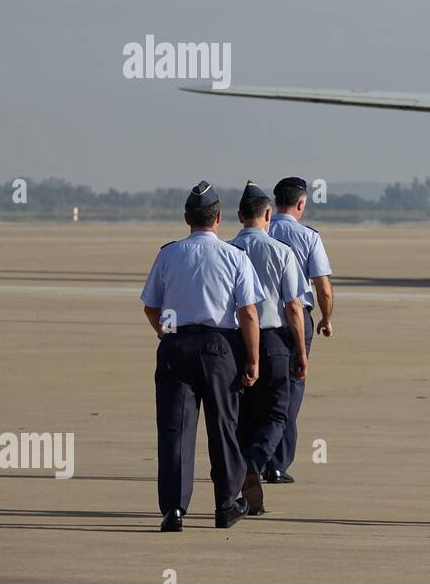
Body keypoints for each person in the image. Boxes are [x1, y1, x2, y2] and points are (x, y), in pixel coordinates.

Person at [140, 181, 265, 531]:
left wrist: (168, 331)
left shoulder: (168, 254)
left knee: (175, 429)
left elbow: (151, 306)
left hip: (176, 346)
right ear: (219, 218)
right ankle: (226, 504)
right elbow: (249, 314)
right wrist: (253, 360)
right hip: (219, 348)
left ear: (186, 218)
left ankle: (174, 510)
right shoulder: (234, 256)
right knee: (223, 427)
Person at [230, 182, 309, 513]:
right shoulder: (281, 251)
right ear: (267, 214)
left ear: (238, 216)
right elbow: (293, 307)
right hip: (274, 340)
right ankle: (257, 460)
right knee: (277, 410)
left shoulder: (228, 249)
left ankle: (245, 481)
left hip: (236, 340)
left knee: (244, 415)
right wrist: (301, 352)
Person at [266, 176, 333, 484]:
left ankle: (254, 455)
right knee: (292, 388)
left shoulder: (260, 230)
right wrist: (326, 318)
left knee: (257, 387)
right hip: (296, 319)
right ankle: (278, 463)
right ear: (301, 203)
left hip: (260, 319)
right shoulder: (308, 236)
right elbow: (323, 286)